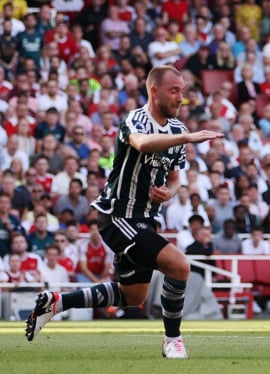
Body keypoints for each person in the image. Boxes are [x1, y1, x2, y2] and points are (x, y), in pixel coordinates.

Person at [25, 65, 224, 359]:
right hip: (117, 216)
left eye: (182, 91)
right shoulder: (135, 120)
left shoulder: (178, 129)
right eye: (174, 91)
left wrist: (169, 192)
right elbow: (142, 143)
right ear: (154, 91)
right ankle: (173, 340)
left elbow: (174, 176)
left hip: (145, 220)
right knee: (180, 266)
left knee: (134, 296)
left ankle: (55, 303)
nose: (181, 98)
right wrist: (189, 138)